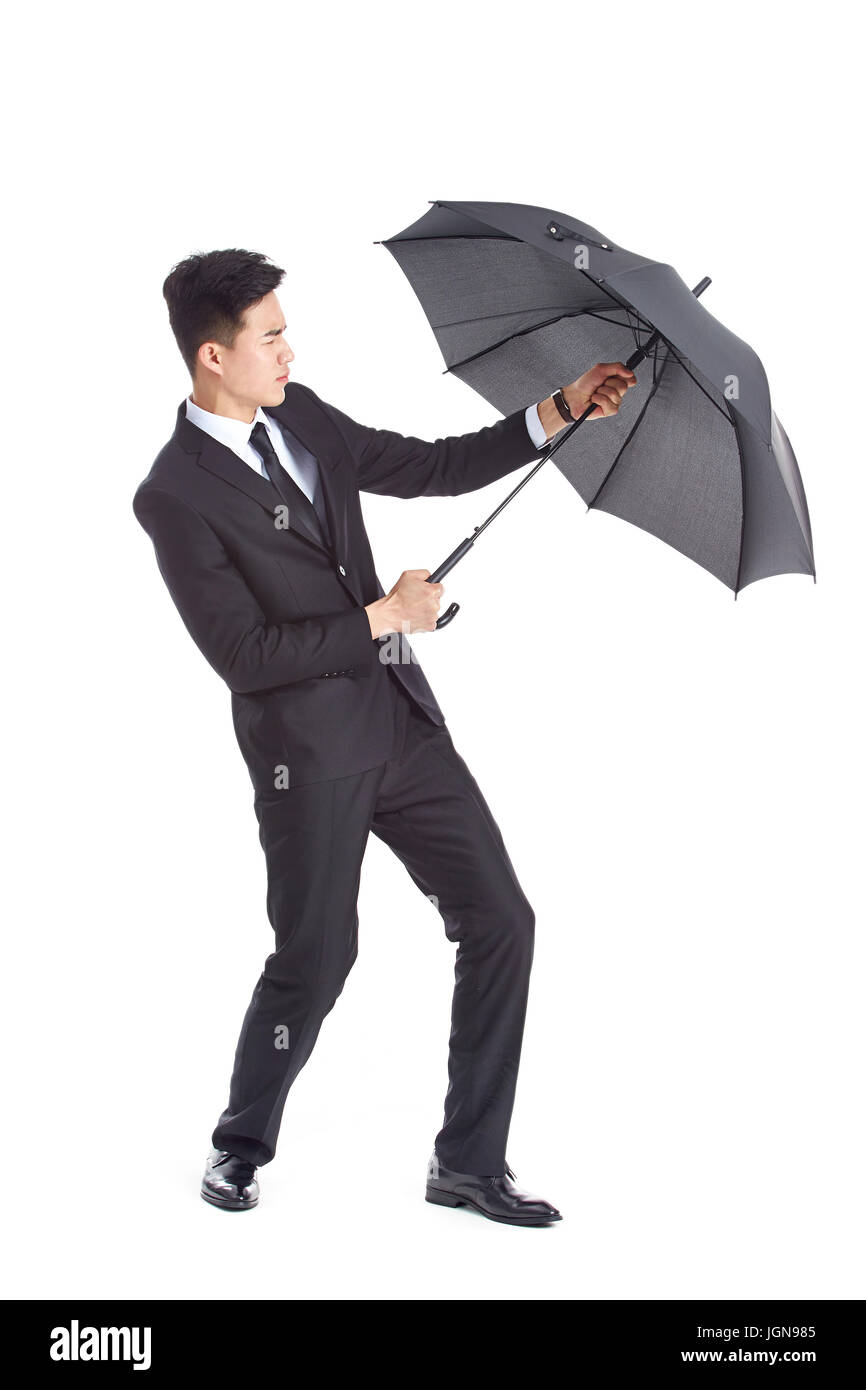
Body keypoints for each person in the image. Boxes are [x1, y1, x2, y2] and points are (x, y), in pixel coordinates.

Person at [133, 247, 635, 1225]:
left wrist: (558, 408)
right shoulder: (174, 493)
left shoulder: (304, 414)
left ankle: (467, 1163)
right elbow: (243, 652)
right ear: (212, 358)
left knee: (501, 919)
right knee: (317, 958)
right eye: (269, 335)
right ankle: (239, 1145)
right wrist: (379, 616)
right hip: (307, 756)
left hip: (401, 722)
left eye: (286, 330)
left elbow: (430, 464)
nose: (288, 348)